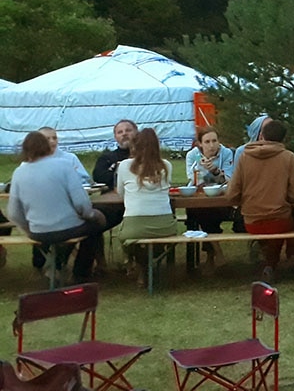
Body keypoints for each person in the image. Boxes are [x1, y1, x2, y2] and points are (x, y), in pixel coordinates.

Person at [5, 130, 108, 284]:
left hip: (38, 232)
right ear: (47, 147)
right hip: (68, 228)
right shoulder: (65, 166)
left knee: (60, 233)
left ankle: (51, 265)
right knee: (96, 226)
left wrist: (29, 229)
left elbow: (13, 212)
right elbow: (81, 203)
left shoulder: (19, 173)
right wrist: (90, 215)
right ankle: (81, 273)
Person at [226, 118, 294, 283]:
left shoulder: (244, 157)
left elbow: (232, 193)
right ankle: (287, 261)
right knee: (289, 218)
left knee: (281, 221)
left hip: (251, 220)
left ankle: (271, 265)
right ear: (283, 139)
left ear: (261, 135)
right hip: (279, 219)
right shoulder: (288, 157)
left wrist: (246, 201)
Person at [115, 128, 177, 285]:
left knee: (125, 236)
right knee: (152, 235)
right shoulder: (166, 166)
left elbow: (121, 194)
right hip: (165, 226)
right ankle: (148, 267)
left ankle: (135, 263)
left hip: (134, 226)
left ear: (134, 147)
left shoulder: (124, 166)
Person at [184, 127, 235, 268]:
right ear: (200, 143)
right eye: (207, 141)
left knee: (207, 214)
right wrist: (204, 170)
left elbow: (229, 179)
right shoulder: (192, 155)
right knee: (201, 211)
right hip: (200, 197)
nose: (211, 145)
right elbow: (193, 179)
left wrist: (215, 170)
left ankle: (212, 254)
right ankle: (215, 252)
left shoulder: (226, 153)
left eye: (214, 141)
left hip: (221, 197)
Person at [93, 119, 138, 190]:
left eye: (128, 130)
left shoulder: (147, 155)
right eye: (120, 132)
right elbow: (98, 178)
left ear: (137, 133)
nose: (124, 134)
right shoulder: (106, 158)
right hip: (113, 198)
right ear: (115, 137)